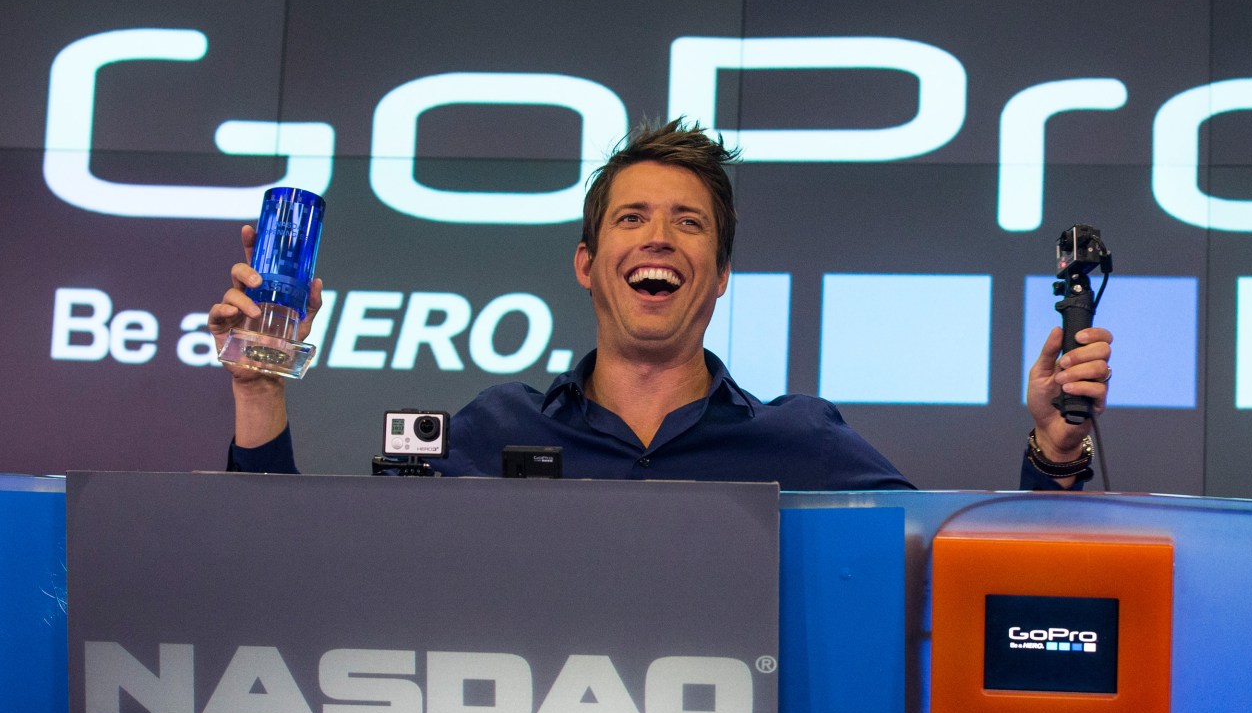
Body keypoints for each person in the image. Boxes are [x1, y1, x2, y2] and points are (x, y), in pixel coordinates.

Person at [211, 120, 1113, 490]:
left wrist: (1056, 448)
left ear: (718, 276)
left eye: (689, 223)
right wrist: (260, 387)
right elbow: (311, 588)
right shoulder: (492, 429)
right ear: (586, 263)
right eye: (632, 217)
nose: (659, 239)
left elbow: (962, 584)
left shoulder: (801, 445)